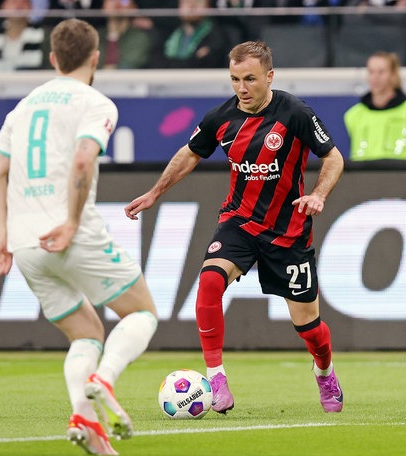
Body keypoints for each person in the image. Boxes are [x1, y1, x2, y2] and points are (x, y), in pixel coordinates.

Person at [125, 41, 344, 415]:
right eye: (234, 79)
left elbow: (333, 156)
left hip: (288, 232)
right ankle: (216, 378)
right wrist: (154, 193)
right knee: (209, 282)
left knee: (309, 327)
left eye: (250, 79)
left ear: (269, 77)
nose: (242, 88)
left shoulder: (294, 112)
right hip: (238, 222)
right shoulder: (221, 118)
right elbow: (191, 151)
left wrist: (319, 194)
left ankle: (324, 372)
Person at [0, 18, 158, 456]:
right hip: (69, 232)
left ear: (53, 58)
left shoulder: (22, 106)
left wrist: (1, 235)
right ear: (97, 58)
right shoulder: (96, 102)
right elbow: (82, 161)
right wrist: (74, 222)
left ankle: (84, 417)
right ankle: (105, 379)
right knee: (141, 314)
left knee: (85, 334)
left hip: (24, 243)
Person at [343, 51, 406, 162]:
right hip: (362, 177)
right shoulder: (353, 115)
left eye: (381, 72)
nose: (375, 77)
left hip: (400, 176)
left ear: (393, 75)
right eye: (371, 72)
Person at [148, 0, 228, 69]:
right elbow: (156, 62)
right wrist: (194, 59)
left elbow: (207, 63)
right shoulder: (166, 33)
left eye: (198, 1)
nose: (192, 6)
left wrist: (170, 63)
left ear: (208, 6)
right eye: (186, 1)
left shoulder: (218, 35)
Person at [0, 0, 49, 71]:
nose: (19, 5)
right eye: (13, 1)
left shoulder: (44, 36)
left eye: (24, 1)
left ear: (30, 7)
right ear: (3, 7)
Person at [97, 0, 153, 69]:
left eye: (124, 1)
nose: (117, 5)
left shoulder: (138, 37)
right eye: (112, 1)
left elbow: (130, 64)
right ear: (103, 7)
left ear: (133, 8)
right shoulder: (97, 35)